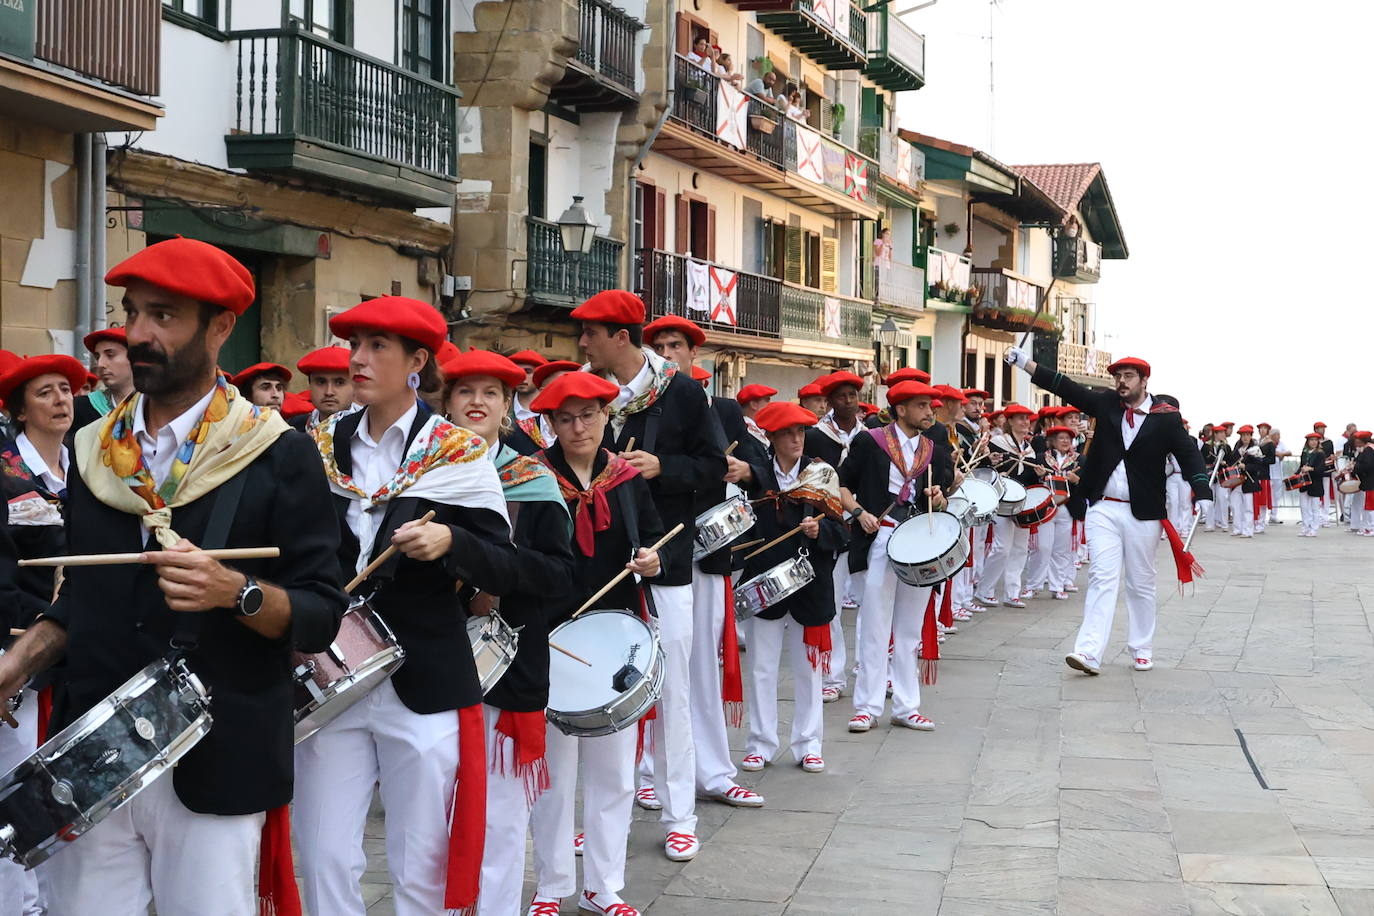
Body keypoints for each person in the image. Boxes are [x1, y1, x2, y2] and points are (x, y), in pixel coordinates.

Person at [0, 237, 348, 915]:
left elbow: (321, 614)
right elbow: (88, 596)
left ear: (220, 327)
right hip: (93, 752)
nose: (138, 335)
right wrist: (21, 660)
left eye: (163, 316)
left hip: (218, 750)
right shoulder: (93, 449)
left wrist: (238, 593)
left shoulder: (277, 453)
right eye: (132, 313)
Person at [294, 296, 517, 916]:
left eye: (376, 348)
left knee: (421, 863)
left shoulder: (457, 452)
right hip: (328, 674)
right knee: (323, 855)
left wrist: (452, 543)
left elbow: (504, 565)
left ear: (417, 362)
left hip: (422, 678)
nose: (357, 361)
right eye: (354, 346)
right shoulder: (315, 446)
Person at [571, 290, 725, 862]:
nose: (582, 344)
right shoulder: (588, 394)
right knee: (599, 694)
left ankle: (679, 815)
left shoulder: (682, 392)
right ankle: (598, 820)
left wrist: (664, 467)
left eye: (590, 334)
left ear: (620, 337)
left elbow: (715, 466)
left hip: (667, 561)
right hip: (603, 569)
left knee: (674, 691)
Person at [438, 350, 576, 916]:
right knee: (432, 820)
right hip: (430, 668)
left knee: (500, 821)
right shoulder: (422, 475)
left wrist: (492, 567)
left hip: (507, 666)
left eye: (490, 393)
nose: (477, 402)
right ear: (446, 403)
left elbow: (561, 575)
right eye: (464, 391)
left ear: (507, 407)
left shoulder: (532, 481)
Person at [527, 371, 664, 916]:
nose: (578, 427)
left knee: (614, 775)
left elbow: (654, 537)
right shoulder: (532, 477)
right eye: (565, 419)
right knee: (554, 777)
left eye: (587, 416)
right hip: (552, 640)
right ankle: (550, 886)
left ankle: (603, 887)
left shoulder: (625, 477)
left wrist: (653, 559)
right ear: (551, 424)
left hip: (616, 639)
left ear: (606, 417)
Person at [1005, 348, 1211, 675]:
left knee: (1140, 583)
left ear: (1144, 381)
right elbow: (1067, 387)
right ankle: (1088, 652)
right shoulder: (1106, 404)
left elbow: (1189, 454)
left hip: (1144, 513)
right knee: (1101, 577)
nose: (1121, 382)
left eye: (1128, 376)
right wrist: (1025, 364)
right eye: (1117, 376)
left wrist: (1203, 491)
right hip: (1103, 508)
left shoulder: (1166, 417)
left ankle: (1141, 648)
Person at [640, 313, 766, 814]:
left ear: (694, 354)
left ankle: (713, 772)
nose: (667, 354)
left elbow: (761, 465)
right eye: (660, 347)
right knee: (652, 664)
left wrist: (744, 469)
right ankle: (648, 773)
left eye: (676, 345)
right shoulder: (639, 403)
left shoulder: (725, 409)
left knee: (703, 668)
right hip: (657, 553)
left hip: (709, 553)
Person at [0, 352, 85, 916]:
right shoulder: (5, 474)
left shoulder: (88, 467)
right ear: (19, 411)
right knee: (16, 792)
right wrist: (41, 628)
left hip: (76, 657)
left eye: (65, 390)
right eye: (45, 392)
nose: (60, 401)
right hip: (21, 653)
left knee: (62, 792)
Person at [839, 380, 953, 733]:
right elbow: (841, 485)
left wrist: (939, 497)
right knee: (874, 626)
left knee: (909, 630)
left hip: (917, 541)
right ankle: (867, 707)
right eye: (921, 405)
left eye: (930, 406)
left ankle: (907, 706)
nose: (929, 412)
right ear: (900, 410)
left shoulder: (933, 449)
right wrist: (859, 513)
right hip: (880, 536)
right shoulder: (870, 442)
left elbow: (943, 498)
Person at [738, 401, 844, 774]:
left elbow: (842, 532)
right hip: (764, 583)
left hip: (809, 584)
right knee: (761, 668)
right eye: (787, 433)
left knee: (809, 670)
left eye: (800, 432)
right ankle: (760, 743)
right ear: (771, 436)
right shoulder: (755, 476)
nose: (797, 440)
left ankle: (809, 744)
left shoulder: (822, 474)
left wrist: (820, 531)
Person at [805, 371, 865, 703]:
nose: (848, 401)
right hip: (831, 526)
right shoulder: (814, 436)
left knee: (871, 604)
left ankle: (872, 669)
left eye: (853, 395)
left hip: (865, 527)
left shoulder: (871, 436)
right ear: (829, 402)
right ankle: (833, 674)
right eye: (841, 396)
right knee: (832, 603)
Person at [976, 403, 1042, 608]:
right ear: (1010, 421)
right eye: (1020, 418)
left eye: (1027, 418)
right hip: (1002, 500)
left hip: (1022, 502)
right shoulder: (998, 442)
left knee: (1021, 548)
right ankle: (984, 590)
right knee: (1002, 547)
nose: (1025, 422)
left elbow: (1029, 479)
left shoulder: (1029, 449)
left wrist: (1038, 474)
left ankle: (1012, 592)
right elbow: (986, 467)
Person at [1039, 425, 1084, 599]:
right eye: (1061, 438)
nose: (1065, 441)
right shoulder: (1041, 458)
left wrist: (1077, 480)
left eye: (1068, 438)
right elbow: (1030, 481)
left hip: (1068, 508)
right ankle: (1034, 584)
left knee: (1062, 549)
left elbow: (1088, 484)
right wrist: (1039, 476)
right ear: (1052, 441)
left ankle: (1057, 586)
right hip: (1046, 508)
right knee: (1042, 547)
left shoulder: (1080, 460)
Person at [73, 325, 134, 431]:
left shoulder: (157, 408)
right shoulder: (79, 408)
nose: (100, 364)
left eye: (110, 355)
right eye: (97, 357)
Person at [290, 345, 354, 433]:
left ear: (355, 386)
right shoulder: (294, 427)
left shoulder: (367, 428)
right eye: (321, 382)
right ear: (310, 385)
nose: (329, 392)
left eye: (339, 383)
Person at [1229, 425, 1265, 538]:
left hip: (1249, 481)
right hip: (1236, 482)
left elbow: (1259, 466)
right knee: (1234, 505)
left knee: (1248, 507)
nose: (1245, 437)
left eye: (1247, 435)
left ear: (1251, 436)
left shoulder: (1255, 449)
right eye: (1243, 435)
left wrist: (1246, 466)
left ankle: (1248, 530)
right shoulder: (1237, 449)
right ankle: (1237, 528)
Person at [1201, 425, 1234, 532]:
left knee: (1223, 498)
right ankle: (1209, 524)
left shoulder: (1226, 447)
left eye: (1224, 432)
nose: (1224, 434)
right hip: (1210, 475)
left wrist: (1224, 463)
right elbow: (1202, 460)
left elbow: (1231, 461)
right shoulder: (1206, 446)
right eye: (1221, 433)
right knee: (1210, 499)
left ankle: (1224, 523)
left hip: (1222, 476)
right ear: (1215, 434)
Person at [1296, 432, 1329, 537]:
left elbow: (1321, 469)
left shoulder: (1320, 453)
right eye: (1311, 440)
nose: (1313, 442)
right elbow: (1301, 466)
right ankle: (1305, 527)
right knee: (1304, 507)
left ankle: (1314, 528)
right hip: (1304, 483)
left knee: (1315, 507)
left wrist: (1311, 469)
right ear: (1308, 442)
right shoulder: (1304, 453)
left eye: (1315, 440)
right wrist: (1297, 474)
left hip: (1315, 483)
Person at [508, 348, 548, 431]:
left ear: (539, 374)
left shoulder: (552, 409)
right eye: (517, 372)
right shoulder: (502, 408)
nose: (522, 377)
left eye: (528, 371)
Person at [1265, 426, 1291, 524]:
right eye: (1275, 435)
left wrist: (1282, 454)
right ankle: (1263, 516)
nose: (1278, 437)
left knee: (1276, 496)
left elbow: (1289, 452)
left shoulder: (1281, 444)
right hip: (1268, 474)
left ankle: (1273, 515)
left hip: (1278, 474)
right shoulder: (1267, 443)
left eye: (1278, 435)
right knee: (1267, 495)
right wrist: (1276, 454)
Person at [1350, 431, 1374, 536]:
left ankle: (1370, 527)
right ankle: (1366, 527)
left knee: (1370, 506)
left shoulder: (1368, 450)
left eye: (1357, 440)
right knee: (1367, 506)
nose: (1355, 442)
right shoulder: (1366, 449)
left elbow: (1367, 465)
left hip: (1370, 481)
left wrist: (1355, 467)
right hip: (1367, 482)